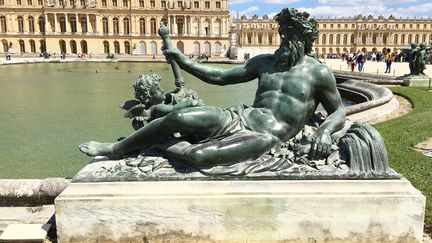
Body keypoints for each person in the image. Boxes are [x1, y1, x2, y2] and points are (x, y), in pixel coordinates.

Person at [79, 8, 346, 167]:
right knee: (179, 116)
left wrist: (324, 131)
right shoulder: (265, 62)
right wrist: (184, 61)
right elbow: (220, 77)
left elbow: (339, 112)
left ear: (305, 37)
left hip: (265, 137)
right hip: (239, 117)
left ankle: (157, 144)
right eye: (283, 31)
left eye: (291, 32)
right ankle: (116, 149)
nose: (284, 37)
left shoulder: (318, 73)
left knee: (198, 156)